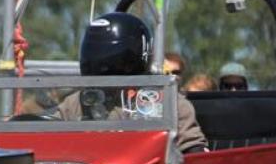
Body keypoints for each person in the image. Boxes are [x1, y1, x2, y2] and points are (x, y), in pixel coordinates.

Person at [57, 12, 208, 154]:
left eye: (107, 53)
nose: (101, 60)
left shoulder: (169, 103)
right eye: (95, 51)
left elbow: (194, 154)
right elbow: (46, 130)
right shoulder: (77, 103)